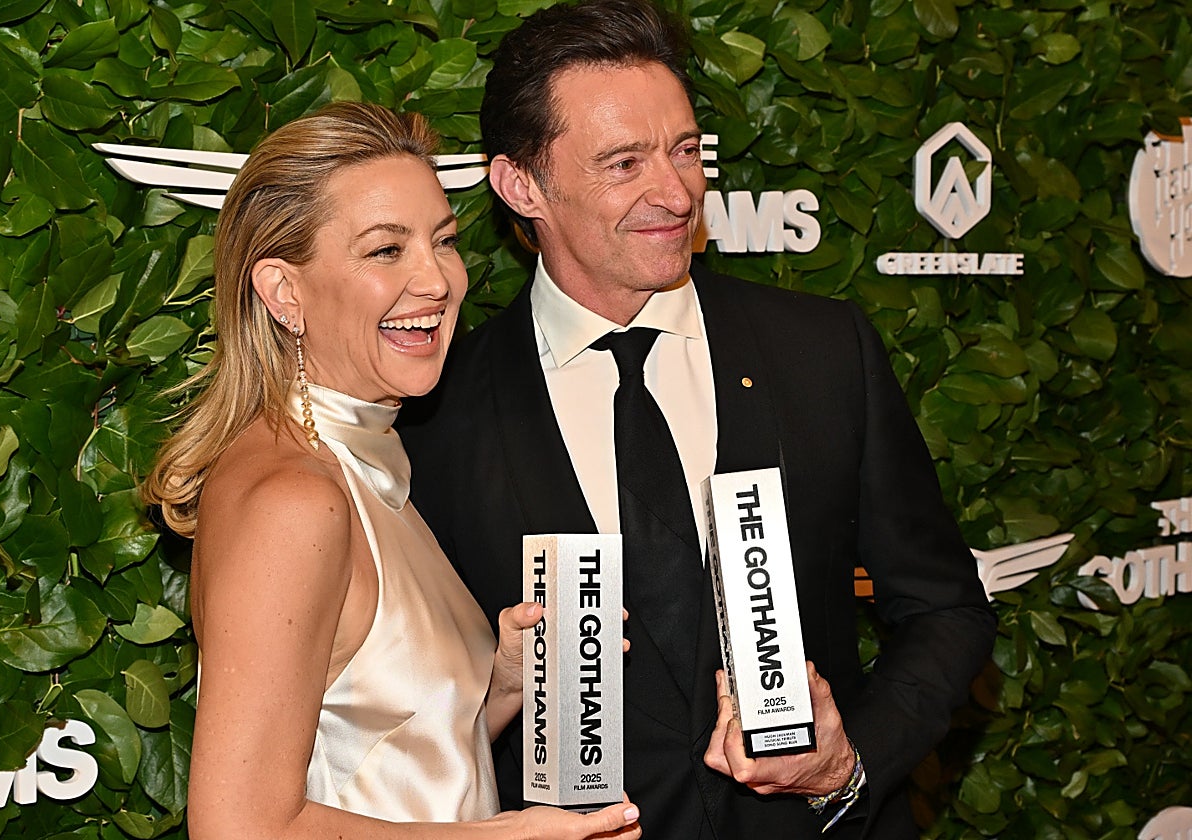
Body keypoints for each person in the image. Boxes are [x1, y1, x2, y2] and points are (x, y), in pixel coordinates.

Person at [397, 2, 998, 838]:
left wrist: (847, 765)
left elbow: (947, 610)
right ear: (520, 185)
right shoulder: (435, 412)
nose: (675, 193)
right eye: (624, 163)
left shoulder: (821, 352)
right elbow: (406, 710)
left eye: (685, 151)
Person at [141, 102, 642, 840]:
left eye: (443, 241)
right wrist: (507, 838)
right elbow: (241, 827)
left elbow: (382, 753)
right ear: (283, 292)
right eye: (385, 250)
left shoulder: (364, 457)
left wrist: (501, 682)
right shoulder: (295, 498)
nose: (436, 280)